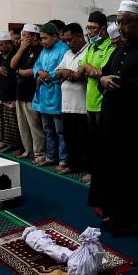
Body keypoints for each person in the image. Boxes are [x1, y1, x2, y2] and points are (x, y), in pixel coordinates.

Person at [87, 0, 138, 233]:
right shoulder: (119, 48)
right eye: (118, 22)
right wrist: (102, 80)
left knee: (133, 173)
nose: (120, 27)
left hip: (134, 126)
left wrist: (118, 83)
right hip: (112, 122)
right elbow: (105, 75)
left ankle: (134, 219)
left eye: (125, 22)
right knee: (113, 169)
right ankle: (115, 213)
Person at [81, 11, 116, 184]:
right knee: (92, 141)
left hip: (103, 103)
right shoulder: (91, 47)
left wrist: (90, 69)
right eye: (88, 27)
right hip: (90, 101)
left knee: (104, 142)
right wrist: (89, 68)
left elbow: (102, 72)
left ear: (103, 29)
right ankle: (92, 171)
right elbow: (84, 67)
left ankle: (102, 175)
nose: (89, 31)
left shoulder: (110, 46)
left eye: (93, 28)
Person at [32, 22, 70, 166]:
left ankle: (63, 160)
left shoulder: (63, 49)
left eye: (45, 38)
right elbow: (36, 65)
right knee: (48, 129)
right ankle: (51, 157)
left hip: (56, 95)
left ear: (55, 36)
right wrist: (39, 72)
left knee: (60, 131)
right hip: (43, 95)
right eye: (41, 39)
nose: (43, 42)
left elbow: (63, 69)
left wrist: (49, 75)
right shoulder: (44, 51)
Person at [55, 23, 89, 174]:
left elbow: (82, 76)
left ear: (80, 36)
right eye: (65, 40)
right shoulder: (67, 54)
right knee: (70, 138)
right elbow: (57, 72)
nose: (67, 43)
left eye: (70, 40)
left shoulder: (88, 51)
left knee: (85, 140)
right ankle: (73, 165)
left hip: (83, 105)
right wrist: (69, 73)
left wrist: (68, 74)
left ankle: (88, 169)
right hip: (66, 104)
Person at [11, 24, 46, 159]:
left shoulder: (41, 50)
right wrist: (21, 49)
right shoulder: (23, 49)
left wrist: (19, 72)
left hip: (32, 93)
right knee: (23, 125)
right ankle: (28, 150)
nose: (23, 38)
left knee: (35, 126)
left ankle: (39, 152)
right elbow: (12, 65)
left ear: (33, 36)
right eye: (22, 35)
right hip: (20, 92)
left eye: (25, 35)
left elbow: (33, 72)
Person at [0, 32, 21, 152]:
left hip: (13, 94)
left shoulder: (16, 54)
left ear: (9, 43)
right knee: (4, 122)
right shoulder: (1, 57)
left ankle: (16, 145)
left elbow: (15, 70)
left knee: (14, 124)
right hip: (2, 93)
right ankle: (6, 142)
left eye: (2, 45)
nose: (0, 48)